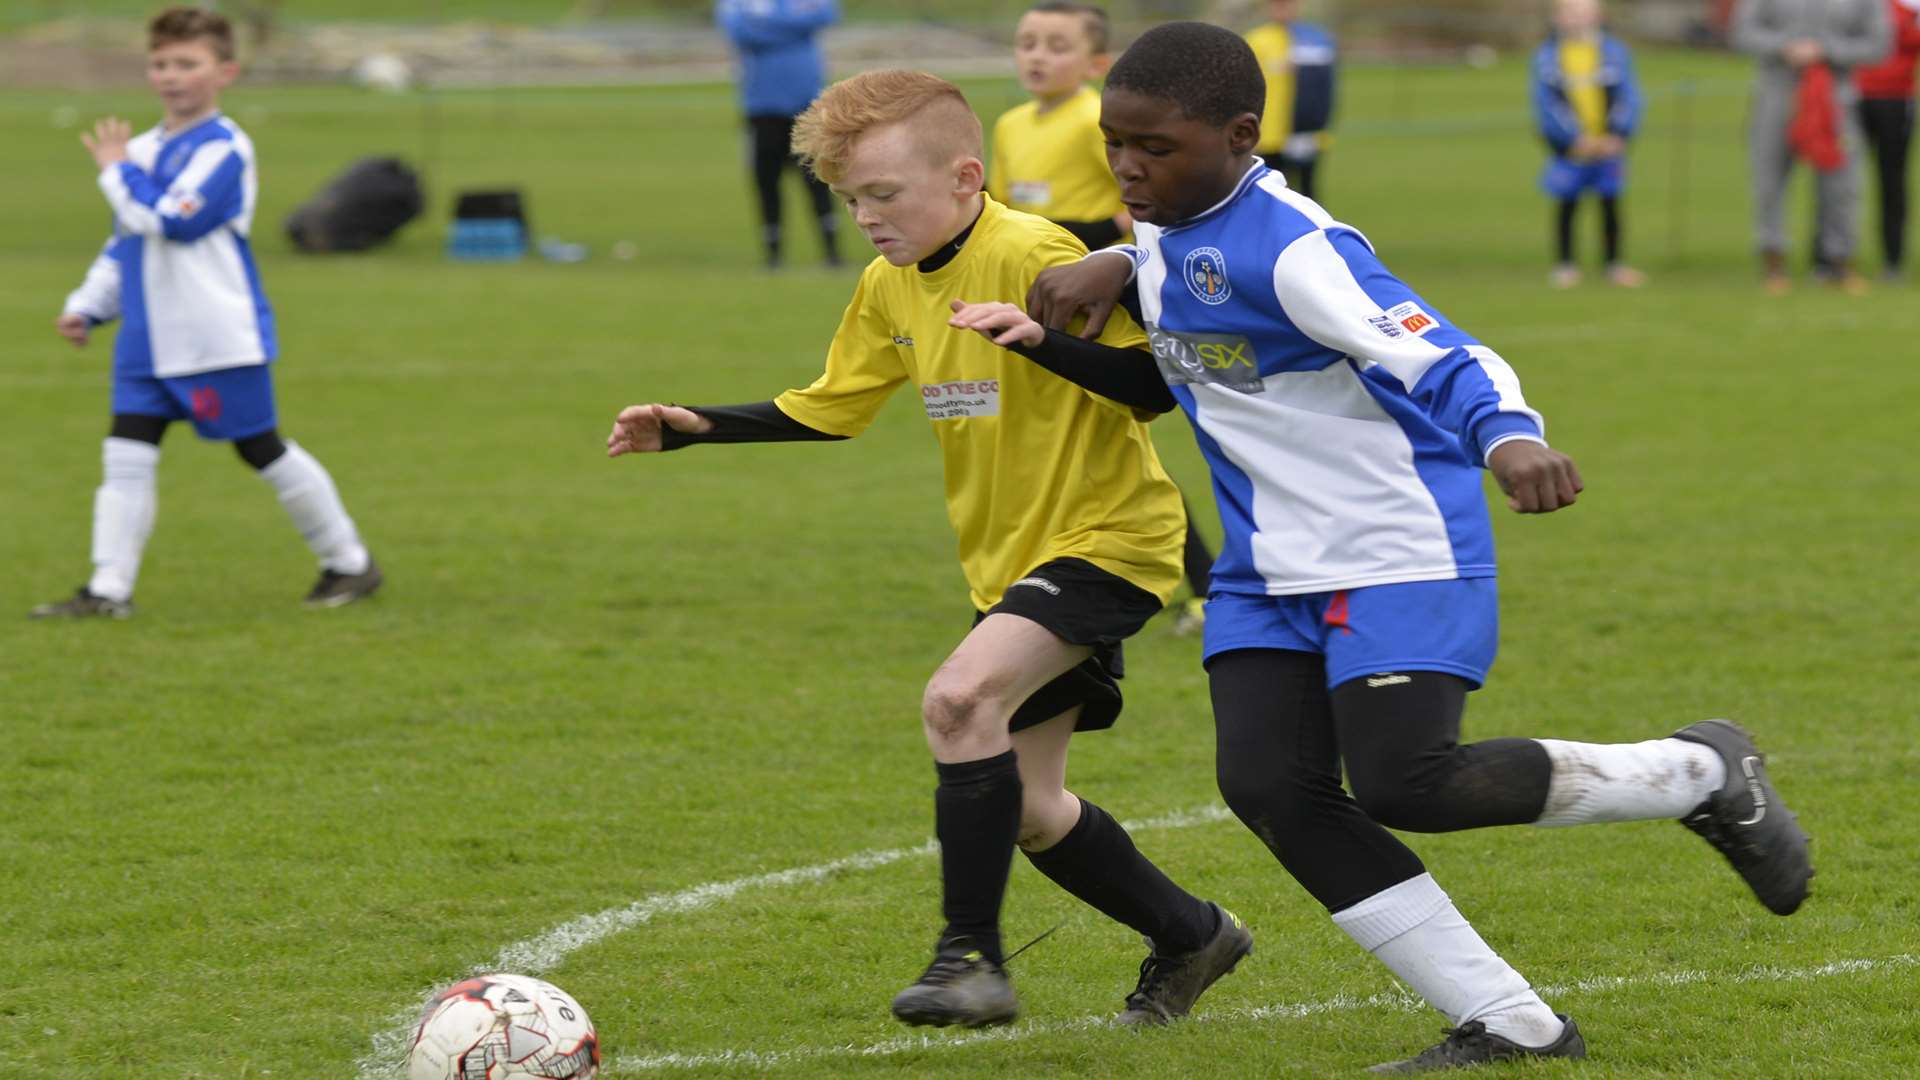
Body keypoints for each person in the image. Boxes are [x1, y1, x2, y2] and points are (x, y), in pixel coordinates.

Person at [967, 22, 1812, 1072]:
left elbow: (1445, 352)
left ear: (1241, 135)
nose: (1129, 169)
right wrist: (1066, 314)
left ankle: (1697, 771)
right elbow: (1167, 385)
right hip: (1267, 569)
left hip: (1392, 549)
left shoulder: (1301, 249)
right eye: (1116, 144)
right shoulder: (1165, 226)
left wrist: (1510, 439)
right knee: (1273, 789)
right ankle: (1514, 1024)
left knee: (1409, 781)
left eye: (1155, 149)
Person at [606, 69, 1251, 1031]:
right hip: (1010, 567)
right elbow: (833, 407)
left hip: (1111, 542)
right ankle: (1193, 933)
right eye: (851, 199)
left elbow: (1157, 385)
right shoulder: (888, 285)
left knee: (958, 702)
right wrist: (700, 427)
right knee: (1033, 807)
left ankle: (969, 963)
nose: (866, 217)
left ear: (964, 177)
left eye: (882, 194)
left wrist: (1036, 338)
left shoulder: (1036, 250)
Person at [35, 6, 380, 620]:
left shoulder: (225, 148)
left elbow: (177, 220)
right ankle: (108, 591)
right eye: (161, 63)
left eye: (187, 63)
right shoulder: (139, 149)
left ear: (225, 71)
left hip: (212, 336)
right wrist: (87, 306)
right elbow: (128, 242)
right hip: (145, 337)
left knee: (260, 448)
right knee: (126, 453)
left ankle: (349, 562)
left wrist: (116, 173)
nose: (171, 76)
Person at [989, 0, 1216, 634]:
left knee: (1120, 444)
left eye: (1056, 45)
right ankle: (1049, 572)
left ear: (1097, 63)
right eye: (1027, 41)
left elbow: (1139, 207)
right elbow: (1003, 215)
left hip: (1097, 289)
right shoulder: (1010, 124)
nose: (1037, 55)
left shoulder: (1099, 119)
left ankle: (1206, 588)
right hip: (1041, 290)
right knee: (1050, 441)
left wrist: (1124, 271)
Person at [1732, 0, 1892, 293]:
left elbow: (1878, 45)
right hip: (1776, 95)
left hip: (1836, 98)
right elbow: (1742, 33)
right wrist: (1784, 47)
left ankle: (1840, 264)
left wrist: (1826, 50)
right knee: (1769, 181)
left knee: (1842, 184)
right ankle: (1773, 263)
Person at [716, 0, 843, 269]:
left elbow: (825, 15)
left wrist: (766, 28)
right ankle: (773, 255)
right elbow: (739, 30)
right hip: (763, 105)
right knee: (766, 182)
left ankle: (832, 252)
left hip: (806, 103)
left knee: (819, 178)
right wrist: (794, 28)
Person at [1531, 0, 1646, 288]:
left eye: (1584, 13)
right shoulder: (1547, 57)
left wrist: (1617, 134)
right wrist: (1573, 139)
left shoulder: (1615, 53)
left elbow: (1629, 96)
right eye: (1571, 13)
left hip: (1609, 146)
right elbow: (1546, 104)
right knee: (1567, 203)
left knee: (1610, 203)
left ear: (1598, 16)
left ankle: (1614, 264)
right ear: (1557, 17)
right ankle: (1566, 264)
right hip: (1572, 149)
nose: (1578, 19)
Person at [1244, 0, 1337, 202]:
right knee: (1272, 194)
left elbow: (1328, 83)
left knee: (1308, 191)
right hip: (1269, 133)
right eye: (1278, 5)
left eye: (1288, 4)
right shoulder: (1258, 39)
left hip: (1305, 130)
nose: (1283, 10)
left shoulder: (1314, 38)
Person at [1855, 0, 1920, 278]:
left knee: (1892, 181)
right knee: (1841, 178)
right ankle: (1831, 257)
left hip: (1897, 99)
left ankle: (1893, 260)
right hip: (1854, 97)